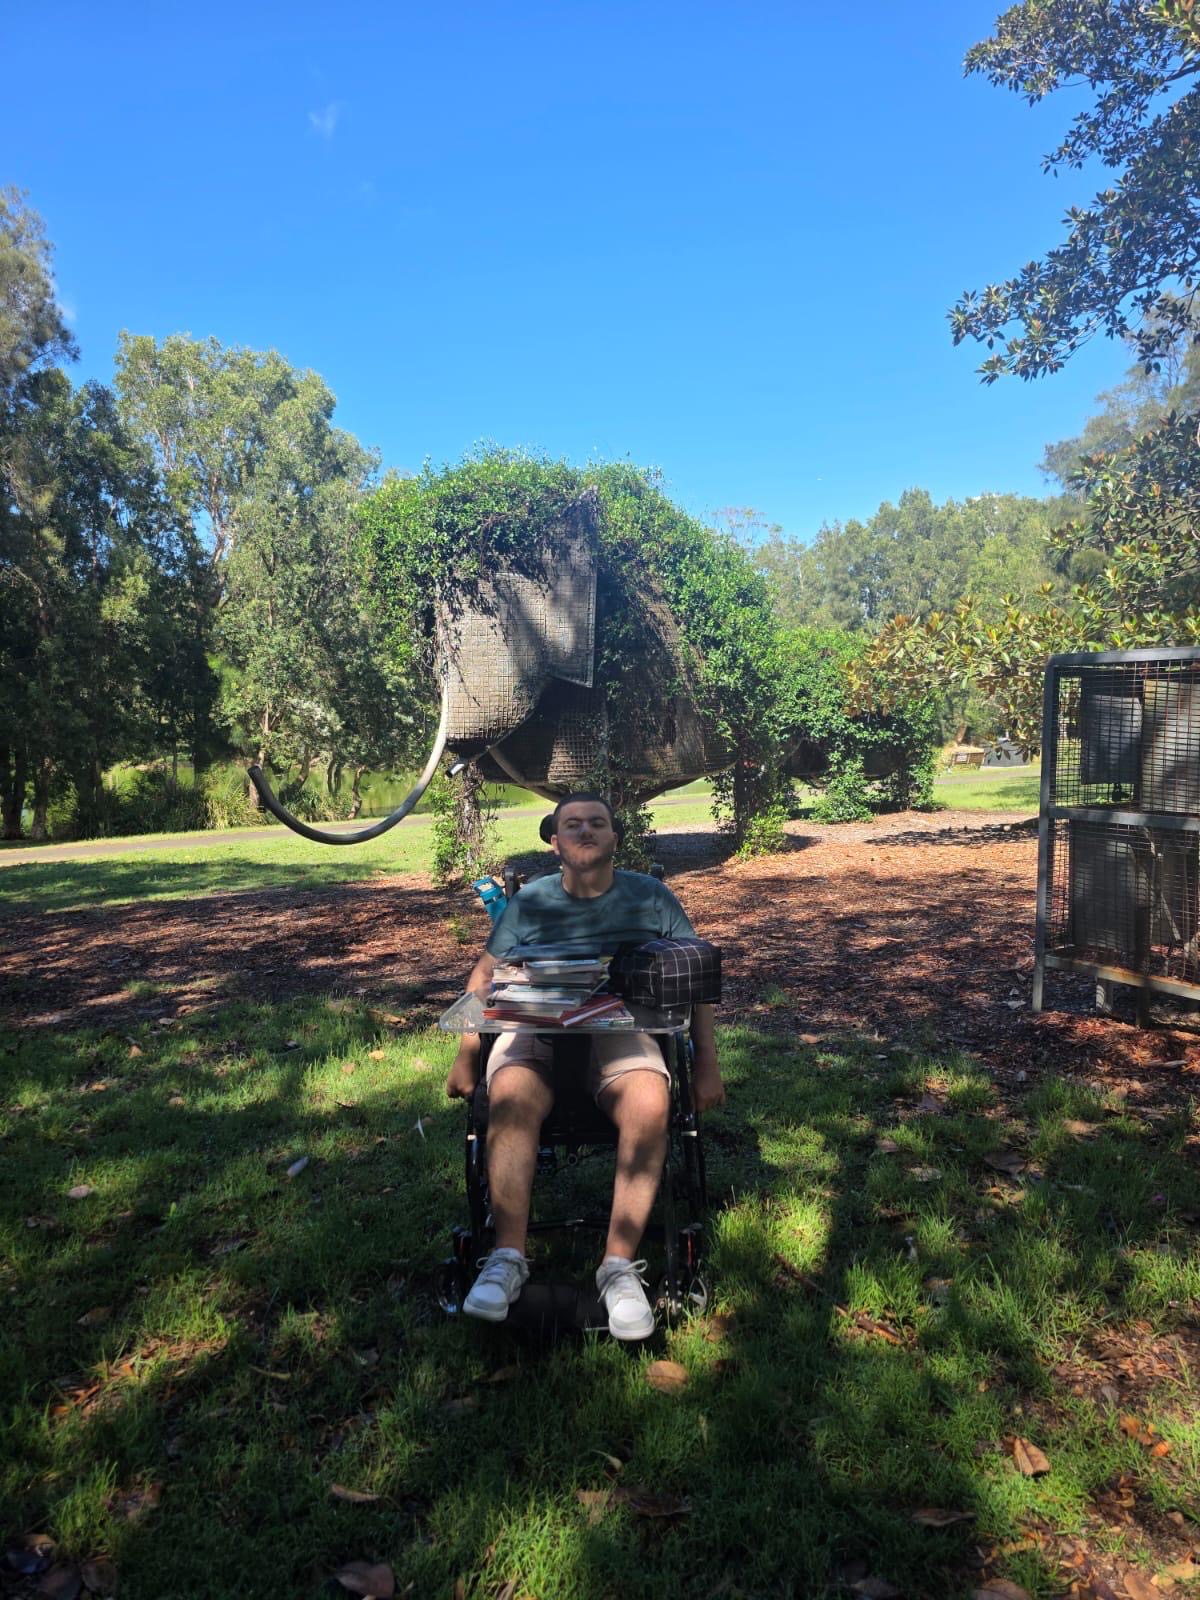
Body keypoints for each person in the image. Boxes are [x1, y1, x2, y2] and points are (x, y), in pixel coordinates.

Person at [445, 792, 725, 1339]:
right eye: (573, 824)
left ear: (615, 838)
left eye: (598, 822)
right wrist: (468, 1050)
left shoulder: (652, 898)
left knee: (650, 1099)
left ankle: (618, 1267)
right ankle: (506, 1258)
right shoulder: (531, 903)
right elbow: (483, 976)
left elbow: (698, 980)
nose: (586, 831)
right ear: (555, 842)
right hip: (534, 1027)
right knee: (510, 1097)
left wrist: (707, 1063)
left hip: (621, 1028)